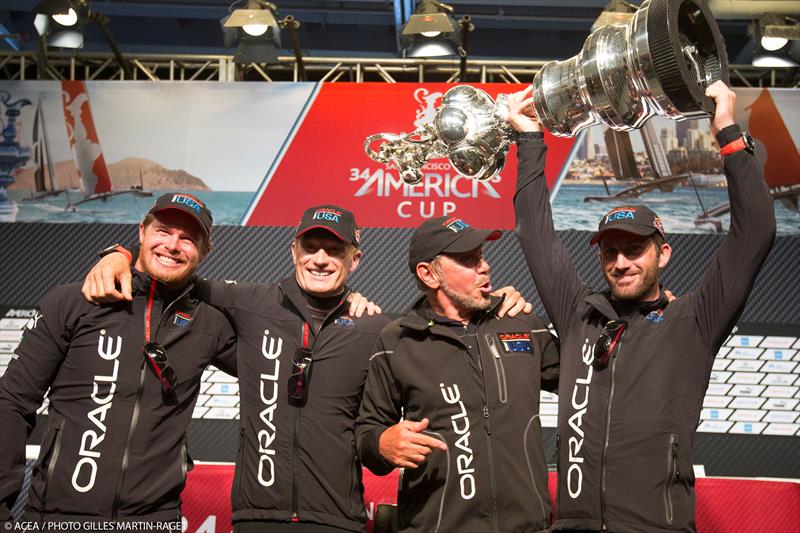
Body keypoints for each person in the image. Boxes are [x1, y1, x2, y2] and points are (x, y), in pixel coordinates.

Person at [83, 205, 532, 532]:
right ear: (294, 249)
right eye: (311, 245)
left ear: (355, 259)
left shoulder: (376, 329)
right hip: (257, 518)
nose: (320, 258)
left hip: (338, 520)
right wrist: (117, 252)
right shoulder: (248, 303)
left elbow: (379, 424)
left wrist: (496, 309)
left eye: (333, 249)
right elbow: (169, 272)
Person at [507, 81, 775, 532]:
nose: (622, 262)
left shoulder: (693, 321)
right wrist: (531, 139)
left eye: (635, 249)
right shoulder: (578, 316)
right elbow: (536, 234)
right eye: (610, 251)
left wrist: (728, 130)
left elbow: (754, 233)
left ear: (662, 253)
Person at [0, 193, 237, 528]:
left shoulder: (209, 321)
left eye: (187, 238)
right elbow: (12, 403)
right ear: (141, 232)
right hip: (56, 516)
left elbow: (277, 363)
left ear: (205, 251)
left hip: (154, 521)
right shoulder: (75, 301)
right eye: (163, 231)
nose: (172, 245)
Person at [355, 216, 560, 533]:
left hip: (528, 527)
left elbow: (587, 381)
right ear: (429, 274)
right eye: (468, 259)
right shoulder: (396, 340)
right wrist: (381, 444)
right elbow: (367, 433)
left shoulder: (520, 322)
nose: (484, 266)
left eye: (481, 256)